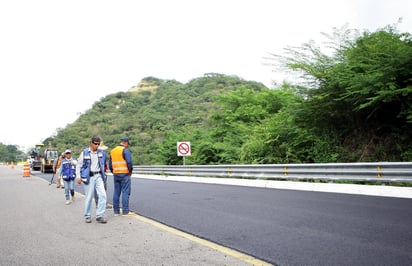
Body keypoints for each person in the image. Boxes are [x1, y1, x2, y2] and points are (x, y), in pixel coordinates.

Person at [76, 137, 108, 224]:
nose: (97, 145)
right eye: (95, 144)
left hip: (98, 176)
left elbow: (104, 164)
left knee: (103, 195)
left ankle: (100, 215)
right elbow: (79, 165)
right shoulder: (85, 153)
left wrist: (104, 174)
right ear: (91, 143)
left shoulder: (101, 153)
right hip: (89, 177)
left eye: (98, 144)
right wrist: (78, 177)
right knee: (89, 197)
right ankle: (87, 215)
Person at [109, 137, 133, 216]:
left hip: (116, 174)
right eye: (127, 144)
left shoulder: (113, 151)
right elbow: (129, 162)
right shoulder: (125, 150)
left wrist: (114, 171)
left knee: (116, 192)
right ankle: (125, 211)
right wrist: (130, 171)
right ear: (125, 143)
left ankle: (116, 211)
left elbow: (110, 165)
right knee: (125, 192)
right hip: (124, 174)